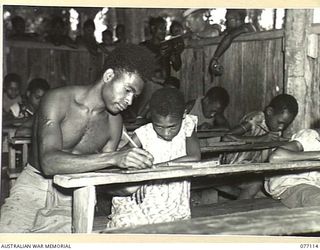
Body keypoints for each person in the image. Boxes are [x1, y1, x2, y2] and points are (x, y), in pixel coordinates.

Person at [0, 44, 157, 233]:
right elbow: (49, 163)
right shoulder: (57, 99)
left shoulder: (114, 123)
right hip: (33, 185)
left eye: (135, 96)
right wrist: (116, 158)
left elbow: (102, 177)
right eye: (127, 90)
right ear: (108, 76)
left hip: (75, 193)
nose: (129, 101)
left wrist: (128, 185)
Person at [106, 87, 201, 228]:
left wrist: (155, 169)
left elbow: (194, 156)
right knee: (135, 226)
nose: (166, 133)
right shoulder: (143, 133)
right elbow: (122, 159)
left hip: (175, 196)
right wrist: (139, 175)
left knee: (174, 227)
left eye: (172, 127)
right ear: (151, 117)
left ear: (183, 114)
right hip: (145, 196)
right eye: (159, 126)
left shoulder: (187, 126)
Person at [220, 94, 299, 199]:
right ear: (269, 112)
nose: (281, 127)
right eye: (280, 122)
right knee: (256, 184)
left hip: (249, 170)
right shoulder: (256, 119)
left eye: (286, 125)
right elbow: (226, 137)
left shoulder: (275, 129)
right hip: (230, 167)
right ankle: (237, 212)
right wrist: (259, 139)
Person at [265, 128, 320, 208]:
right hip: (292, 184)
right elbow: (276, 157)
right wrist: (317, 155)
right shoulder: (309, 136)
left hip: (314, 185)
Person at [209, 9, 256, 77]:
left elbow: (229, 37)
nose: (226, 22)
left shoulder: (247, 27)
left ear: (236, 19)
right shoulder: (234, 30)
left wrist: (215, 58)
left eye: (228, 20)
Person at [140, 16, 183, 81]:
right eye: (161, 28)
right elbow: (142, 67)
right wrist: (160, 55)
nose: (164, 32)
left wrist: (175, 54)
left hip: (165, 84)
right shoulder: (144, 46)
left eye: (165, 29)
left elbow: (177, 67)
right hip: (150, 84)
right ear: (153, 28)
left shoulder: (168, 45)